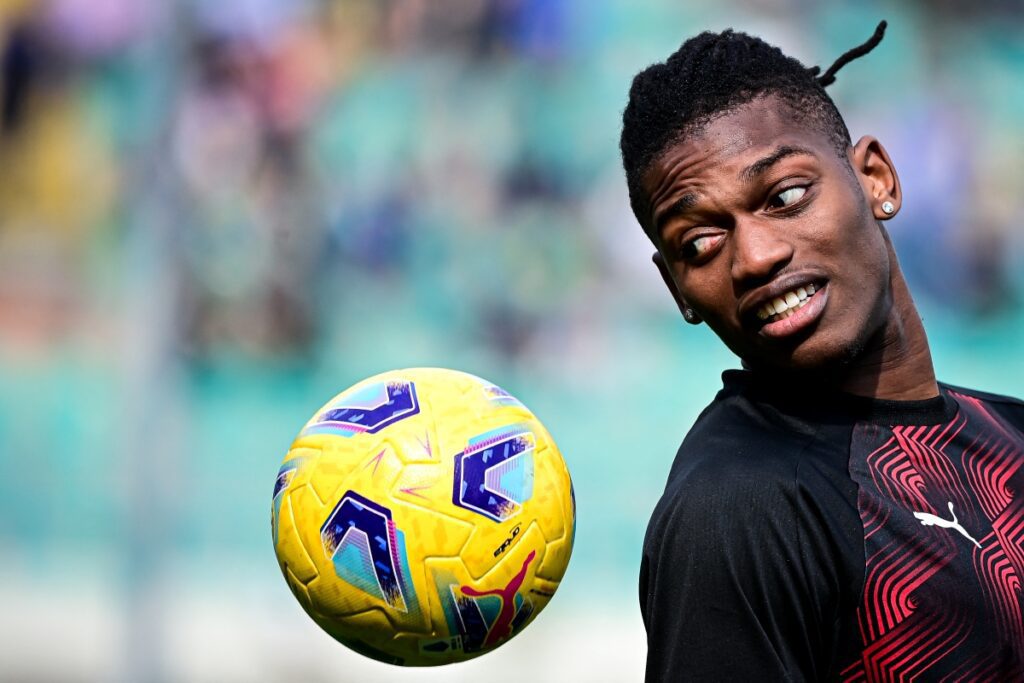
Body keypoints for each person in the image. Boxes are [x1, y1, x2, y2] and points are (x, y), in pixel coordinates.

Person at [618, 21, 1024, 680]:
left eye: (784, 197)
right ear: (677, 290)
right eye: (699, 242)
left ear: (876, 179)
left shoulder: (1011, 432)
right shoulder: (739, 509)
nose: (756, 256)